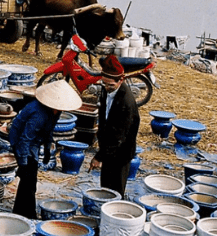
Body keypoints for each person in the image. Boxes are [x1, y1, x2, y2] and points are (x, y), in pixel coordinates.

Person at [8, 80, 82, 219]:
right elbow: (25, 139)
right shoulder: (38, 114)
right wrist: (23, 163)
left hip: (33, 142)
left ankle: (22, 210)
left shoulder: (54, 112)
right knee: (28, 181)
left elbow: (48, 131)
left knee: (30, 181)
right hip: (21, 141)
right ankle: (25, 214)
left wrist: (48, 149)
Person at [89, 55, 141, 197]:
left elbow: (117, 137)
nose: (106, 88)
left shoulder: (126, 102)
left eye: (110, 85)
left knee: (115, 190)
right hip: (109, 148)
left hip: (121, 152)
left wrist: (99, 157)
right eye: (104, 84)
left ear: (121, 80)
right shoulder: (107, 91)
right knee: (105, 186)